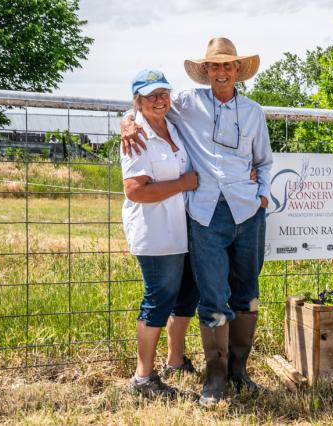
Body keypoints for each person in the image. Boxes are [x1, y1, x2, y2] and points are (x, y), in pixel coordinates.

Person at [121, 38, 273, 407]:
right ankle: (215, 378)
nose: (221, 72)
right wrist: (125, 123)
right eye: (214, 66)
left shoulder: (254, 112)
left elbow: (265, 161)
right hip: (205, 215)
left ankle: (239, 371)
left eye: (228, 66)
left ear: (238, 70)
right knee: (212, 295)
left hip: (247, 212)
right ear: (205, 72)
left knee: (247, 291)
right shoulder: (186, 103)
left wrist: (263, 196)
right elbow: (144, 111)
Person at [121, 69, 200, 398]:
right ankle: (143, 377)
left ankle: (175, 360)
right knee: (158, 300)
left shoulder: (173, 125)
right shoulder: (137, 136)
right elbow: (135, 191)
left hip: (182, 228)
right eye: (150, 95)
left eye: (163, 92)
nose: (159, 99)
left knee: (187, 294)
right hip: (156, 233)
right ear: (137, 100)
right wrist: (182, 184)